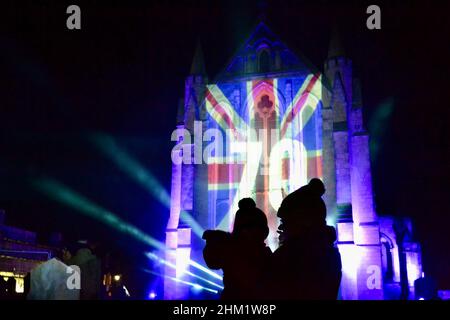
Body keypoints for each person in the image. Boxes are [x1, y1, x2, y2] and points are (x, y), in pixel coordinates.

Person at [270, 178, 342, 299]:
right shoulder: (327, 254)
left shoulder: (289, 258)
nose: (281, 227)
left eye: (285, 221)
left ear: (303, 221)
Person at [203, 198, 272, 299]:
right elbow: (213, 261)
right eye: (248, 228)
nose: (250, 233)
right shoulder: (230, 248)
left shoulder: (230, 248)